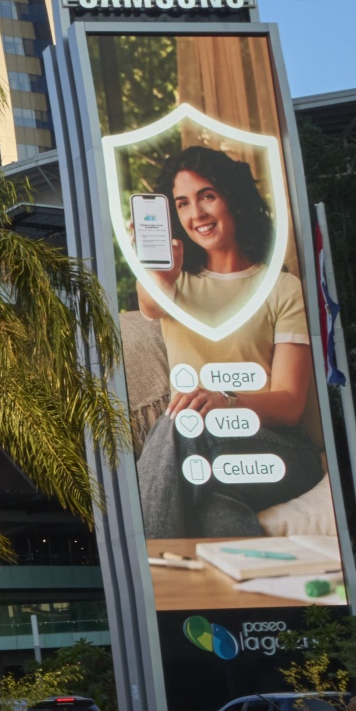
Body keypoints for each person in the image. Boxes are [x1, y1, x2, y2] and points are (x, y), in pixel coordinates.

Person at [132, 145, 325, 538]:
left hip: (276, 449)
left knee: (176, 427)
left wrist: (225, 400)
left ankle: (152, 568)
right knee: (208, 488)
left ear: (232, 199)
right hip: (196, 447)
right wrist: (161, 271)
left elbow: (289, 404)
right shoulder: (173, 283)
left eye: (207, 196)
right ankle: (248, 590)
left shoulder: (282, 288)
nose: (196, 214)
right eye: (182, 203)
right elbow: (150, 307)